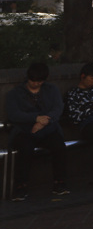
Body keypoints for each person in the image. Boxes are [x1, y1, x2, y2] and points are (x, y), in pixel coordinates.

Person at [5, 61, 69, 200]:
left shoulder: (51, 90)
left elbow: (57, 109)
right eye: (33, 81)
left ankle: (60, 182)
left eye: (39, 82)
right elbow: (14, 114)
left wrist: (44, 121)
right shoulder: (15, 94)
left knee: (59, 146)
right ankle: (21, 185)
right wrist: (35, 118)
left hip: (47, 128)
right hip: (26, 130)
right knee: (25, 148)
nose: (35, 84)